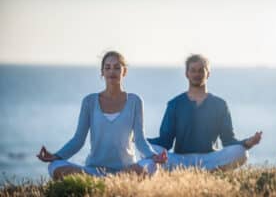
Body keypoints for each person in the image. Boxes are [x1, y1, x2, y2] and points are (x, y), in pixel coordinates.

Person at [37, 51, 167, 180]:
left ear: (124, 72)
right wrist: (56, 156)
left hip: (127, 169)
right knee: (54, 166)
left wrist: (153, 156)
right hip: (94, 170)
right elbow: (78, 140)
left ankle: (107, 180)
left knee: (151, 165)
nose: (112, 72)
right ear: (102, 72)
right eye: (107, 67)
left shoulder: (135, 101)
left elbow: (140, 140)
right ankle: (108, 180)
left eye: (117, 67)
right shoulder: (89, 102)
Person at [148, 54, 262, 171]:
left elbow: (228, 140)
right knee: (150, 150)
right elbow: (165, 141)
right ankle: (197, 171)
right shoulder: (175, 104)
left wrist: (248, 143)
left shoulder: (220, 104)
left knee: (241, 152)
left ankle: (205, 170)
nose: (197, 74)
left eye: (201, 71)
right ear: (187, 74)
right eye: (193, 70)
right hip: (180, 159)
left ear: (208, 74)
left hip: (211, 159)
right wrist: (139, 140)